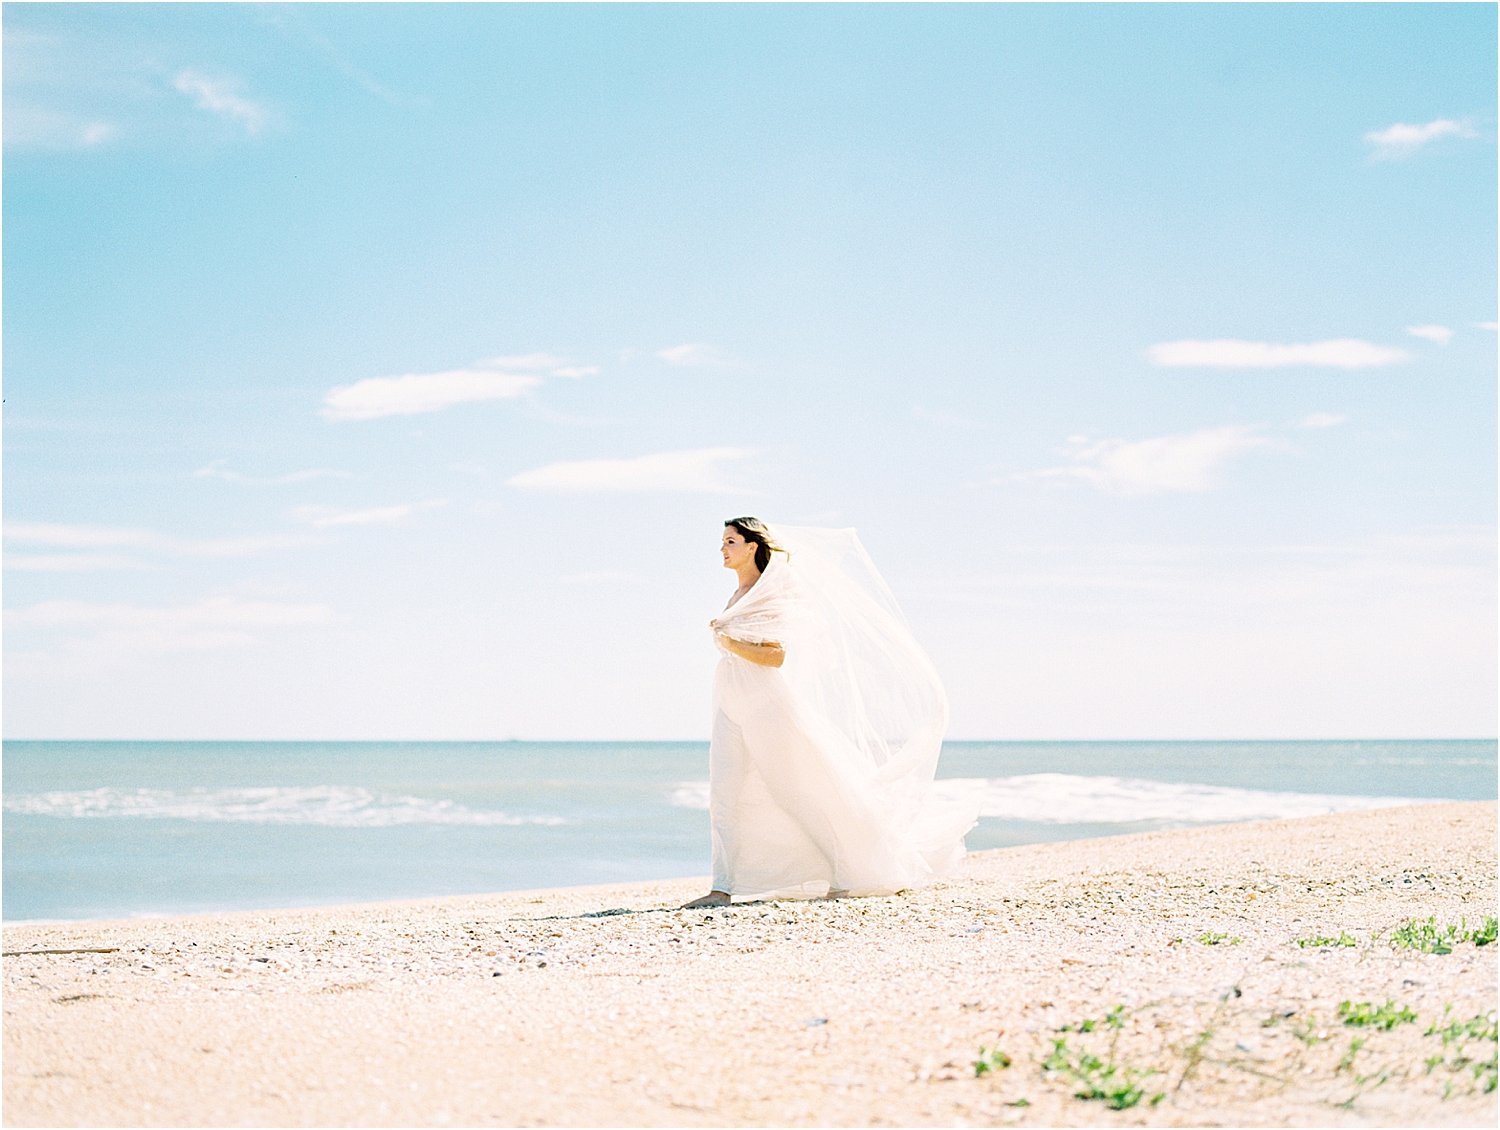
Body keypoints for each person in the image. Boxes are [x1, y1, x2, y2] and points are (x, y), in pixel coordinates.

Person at [679, 517, 977, 909]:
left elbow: (775, 656)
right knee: (725, 791)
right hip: (730, 700)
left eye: (731, 541)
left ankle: (848, 870)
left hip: (766, 703)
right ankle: (722, 887)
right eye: (722, 542)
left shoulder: (770, 593)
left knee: (798, 791)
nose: (723, 549)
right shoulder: (736, 595)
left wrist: (728, 640)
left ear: (753, 546)